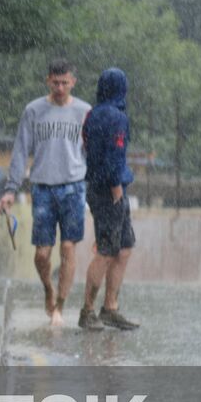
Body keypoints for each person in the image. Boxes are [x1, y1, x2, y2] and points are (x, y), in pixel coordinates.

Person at [0, 59, 90, 328]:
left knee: (69, 247)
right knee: (42, 254)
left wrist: (95, 188)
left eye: (65, 82)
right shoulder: (34, 111)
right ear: (48, 80)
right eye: (55, 82)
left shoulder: (85, 112)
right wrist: (11, 189)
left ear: (73, 82)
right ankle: (48, 288)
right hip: (43, 187)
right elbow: (21, 150)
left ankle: (60, 305)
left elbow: (91, 153)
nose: (60, 87)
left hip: (74, 186)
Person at [79, 67, 139, 331]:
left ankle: (110, 308)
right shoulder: (116, 117)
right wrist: (116, 185)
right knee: (106, 250)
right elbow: (114, 155)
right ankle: (87, 310)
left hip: (97, 186)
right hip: (109, 190)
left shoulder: (92, 114)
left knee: (124, 248)